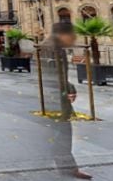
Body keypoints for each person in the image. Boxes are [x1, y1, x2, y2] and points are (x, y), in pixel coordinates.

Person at [37, 22, 91, 180]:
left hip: (56, 96)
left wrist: (70, 87)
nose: (74, 38)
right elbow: (49, 75)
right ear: (62, 34)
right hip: (53, 99)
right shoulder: (50, 49)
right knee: (63, 133)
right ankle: (67, 167)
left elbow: (59, 75)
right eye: (71, 35)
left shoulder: (55, 47)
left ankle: (67, 167)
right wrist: (64, 91)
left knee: (61, 133)